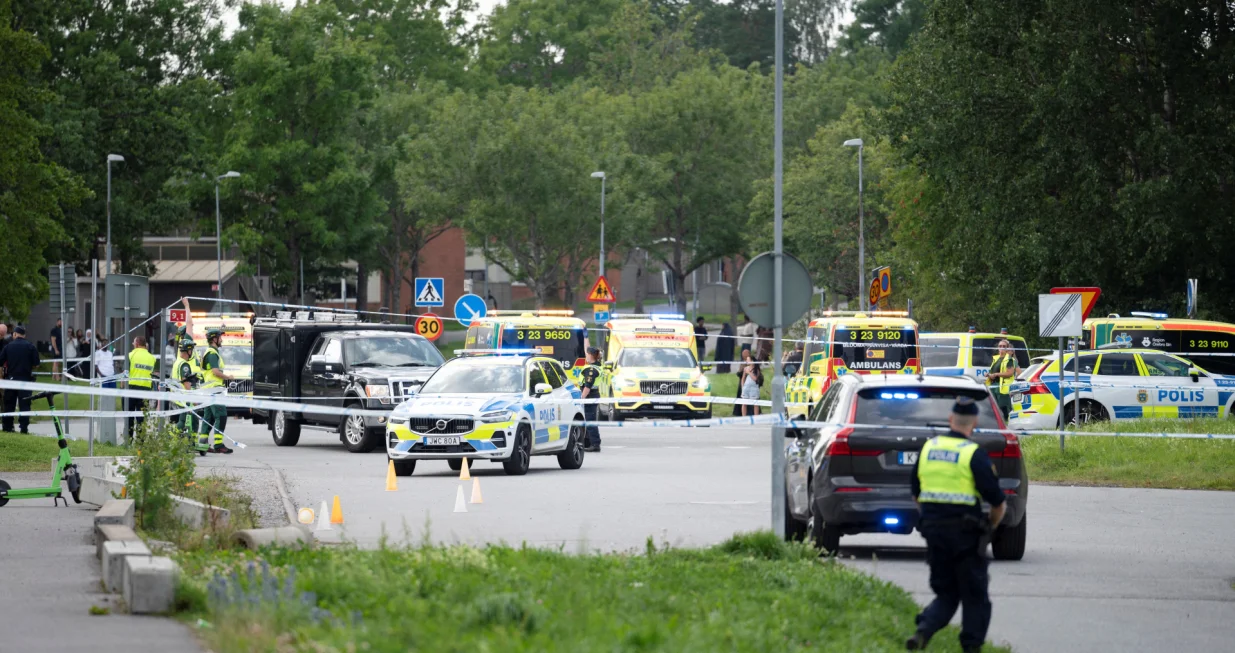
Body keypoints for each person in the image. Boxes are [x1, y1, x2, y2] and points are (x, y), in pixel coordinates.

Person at [906, 396, 1006, 653]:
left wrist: (932, 518)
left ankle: (923, 631)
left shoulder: (928, 448)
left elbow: (916, 493)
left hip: (933, 532)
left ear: (950, 420)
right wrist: (990, 528)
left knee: (947, 593)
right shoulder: (973, 454)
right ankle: (971, 648)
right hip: (966, 535)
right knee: (974, 595)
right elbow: (998, 503)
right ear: (973, 423)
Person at [198, 327, 234, 454]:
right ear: (214, 339)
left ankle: (202, 445)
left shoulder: (209, 352)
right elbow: (215, 372)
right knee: (221, 416)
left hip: (208, 390)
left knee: (209, 418)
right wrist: (228, 377)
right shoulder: (212, 353)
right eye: (220, 337)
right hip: (213, 390)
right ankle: (218, 445)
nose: (221, 339)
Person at [0, 326, 40, 434]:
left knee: (9, 404)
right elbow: (36, 364)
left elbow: (0, 361)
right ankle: (24, 428)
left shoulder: (8, 346)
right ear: (24, 335)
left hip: (11, 379)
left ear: (14, 334)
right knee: (25, 405)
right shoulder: (30, 346)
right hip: (25, 380)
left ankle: (7, 427)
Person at [171, 339, 207, 449]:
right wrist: (193, 399)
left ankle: (184, 440)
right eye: (192, 349)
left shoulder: (177, 362)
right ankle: (175, 439)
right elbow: (186, 383)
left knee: (188, 420)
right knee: (187, 420)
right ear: (188, 351)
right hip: (184, 397)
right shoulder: (184, 365)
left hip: (177, 396)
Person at [126, 336, 157, 437]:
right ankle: (141, 442)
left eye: (133, 343)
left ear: (137, 344)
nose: (133, 345)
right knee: (141, 417)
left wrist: (122, 390)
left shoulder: (131, 355)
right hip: (145, 390)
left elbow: (125, 374)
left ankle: (129, 440)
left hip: (131, 388)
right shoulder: (152, 358)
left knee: (129, 415)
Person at [986, 340, 1021, 422]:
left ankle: (1006, 427)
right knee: (994, 408)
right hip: (993, 386)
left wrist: (996, 374)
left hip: (1002, 387)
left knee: (1003, 409)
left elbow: (1010, 373)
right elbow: (994, 371)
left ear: (1007, 348)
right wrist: (989, 375)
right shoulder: (996, 358)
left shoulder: (1009, 359)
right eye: (1000, 346)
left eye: (1004, 346)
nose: (1001, 348)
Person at [579, 347, 602, 452]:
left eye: (587, 354)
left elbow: (587, 386)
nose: (586, 356)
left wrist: (581, 399)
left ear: (591, 355)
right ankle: (588, 442)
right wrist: (585, 336)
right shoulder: (596, 366)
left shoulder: (591, 369)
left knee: (590, 420)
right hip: (593, 396)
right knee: (588, 419)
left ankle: (595, 444)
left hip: (590, 396)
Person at [738, 349, 762, 417]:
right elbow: (743, 379)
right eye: (747, 360)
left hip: (753, 388)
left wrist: (749, 373)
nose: (747, 361)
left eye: (748, 360)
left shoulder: (756, 369)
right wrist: (743, 387)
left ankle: (756, 417)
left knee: (755, 403)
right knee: (744, 403)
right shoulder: (745, 368)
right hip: (746, 387)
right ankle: (744, 417)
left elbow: (755, 378)